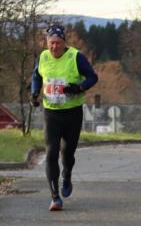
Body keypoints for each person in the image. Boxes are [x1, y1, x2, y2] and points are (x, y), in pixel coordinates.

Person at [31, 24, 98, 211]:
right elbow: (36, 76)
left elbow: (93, 77)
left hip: (72, 112)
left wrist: (79, 87)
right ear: (47, 43)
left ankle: (67, 176)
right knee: (51, 153)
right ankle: (55, 197)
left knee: (67, 153)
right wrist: (34, 93)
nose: (54, 47)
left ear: (64, 42)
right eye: (51, 43)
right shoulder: (43, 57)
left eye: (58, 43)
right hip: (51, 112)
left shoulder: (75, 57)